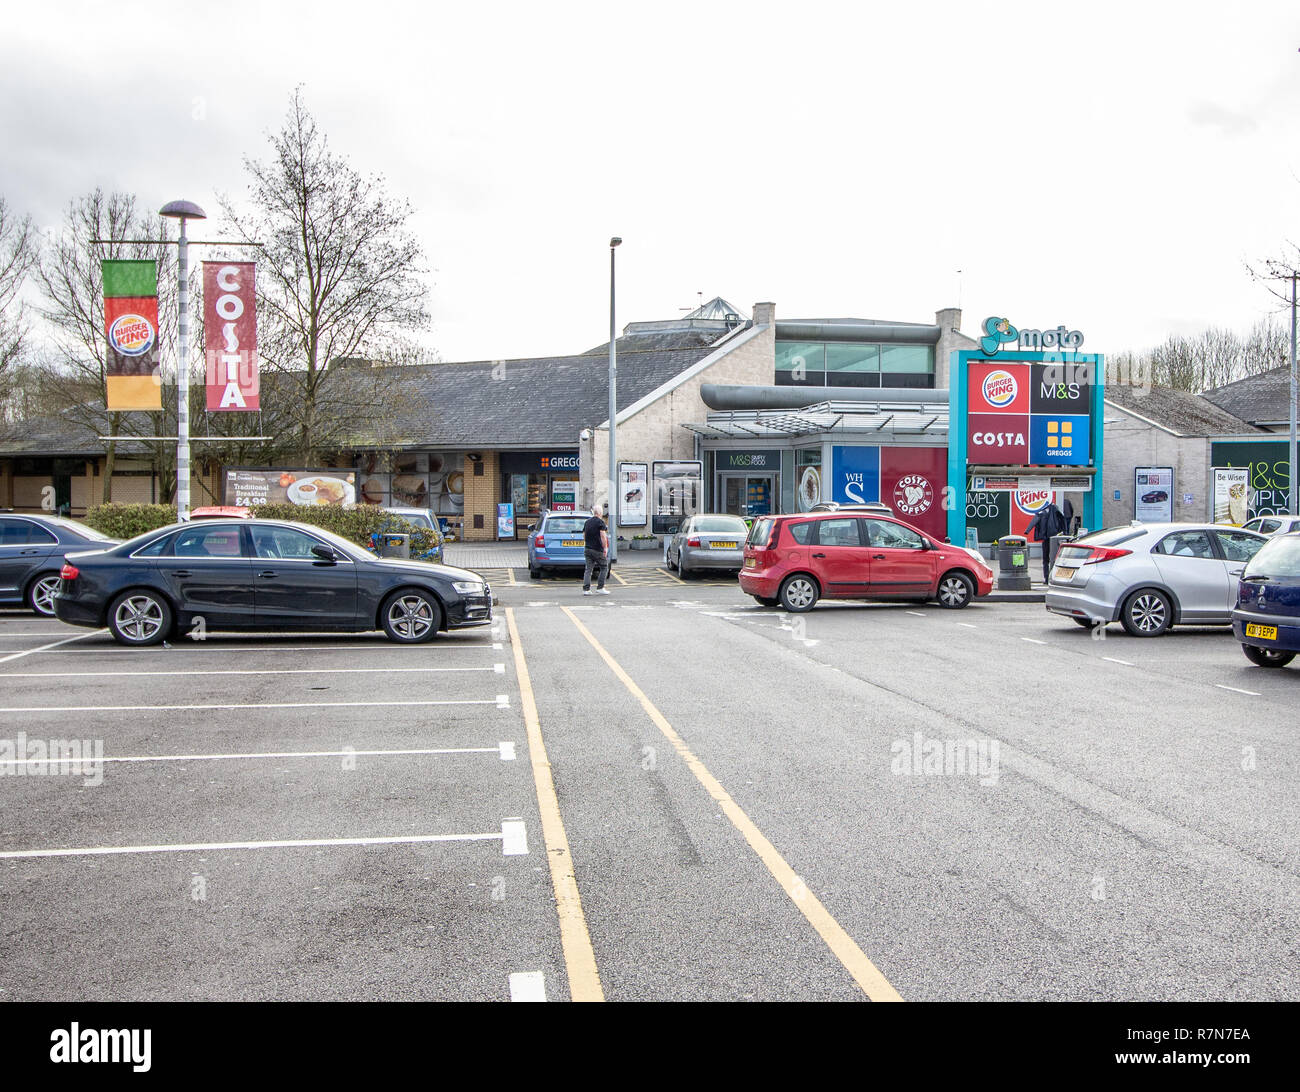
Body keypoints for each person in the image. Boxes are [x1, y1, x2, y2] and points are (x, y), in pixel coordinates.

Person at [1025, 501, 1068, 583]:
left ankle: (1047, 578)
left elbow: (1034, 521)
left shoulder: (1042, 512)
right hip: (1055, 537)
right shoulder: (1056, 511)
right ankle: (1054, 577)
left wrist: (1027, 531)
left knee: (1045, 559)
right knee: (1055, 558)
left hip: (1045, 538)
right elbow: (1063, 520)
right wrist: (1065, 532)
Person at [582, 504, 610, 595]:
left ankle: (586, 589)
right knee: (604, 566)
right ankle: (600, 587)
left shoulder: (587, 522)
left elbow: (584, 535)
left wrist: (588, 543)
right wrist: (605, 548)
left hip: (588, 548)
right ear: (600, 513)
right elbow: (603, 536)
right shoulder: (600, 522)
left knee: (588, 569)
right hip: (597, 549)